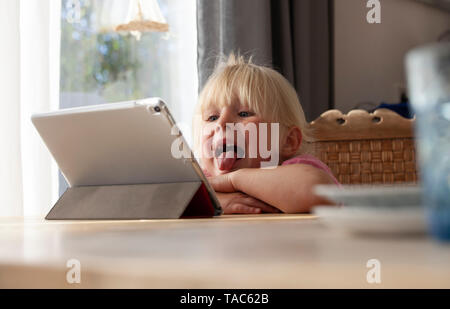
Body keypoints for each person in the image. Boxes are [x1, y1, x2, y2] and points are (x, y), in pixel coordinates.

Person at [193, 54, 339, 214]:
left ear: (288, 141)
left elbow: (319, 193)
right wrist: (218, 202)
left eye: (243, 114)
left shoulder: (296, 169)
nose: (222, 123)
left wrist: (233, 180)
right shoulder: (203, 178)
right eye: (212, 117)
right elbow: (168, 203)